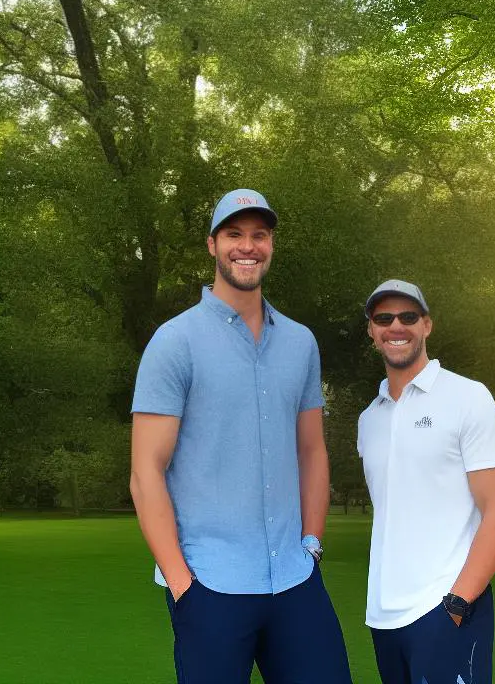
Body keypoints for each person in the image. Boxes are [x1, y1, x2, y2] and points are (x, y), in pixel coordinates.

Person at [130, 189, 352, 684]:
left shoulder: (300, 342)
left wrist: (312, 544)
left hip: (295, 579)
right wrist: (182, 584)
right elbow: (146, 472)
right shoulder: (174, 342)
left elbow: (311, 450)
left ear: (271, 245)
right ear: (212, 245)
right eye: (234, 234)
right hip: (209, 583)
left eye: (259, 235)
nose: (246, 246)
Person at [358, 279, 495, 684]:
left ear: (427, 325)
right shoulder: (369, 419)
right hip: (383, 614)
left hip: (448, 607)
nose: (397, 326)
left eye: (408, 316)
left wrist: (459, 602)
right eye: (384, 318)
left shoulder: (468, 397)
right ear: (372, 331)